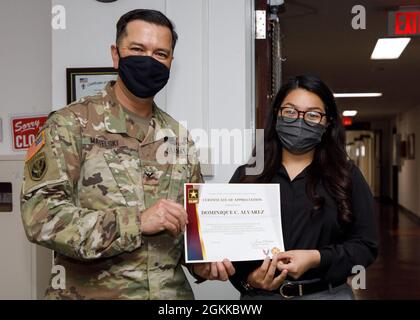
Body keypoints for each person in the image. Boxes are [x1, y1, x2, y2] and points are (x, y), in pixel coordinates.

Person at [20, 9, 233, 300]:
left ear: (171, 61)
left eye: (161, 53)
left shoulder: (179, 138)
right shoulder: (69, 125)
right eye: (137, 49)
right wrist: (136, 222)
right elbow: (41, 218)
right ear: (115, 54)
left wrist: (202, 264)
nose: (149, 60)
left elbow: (187, 229)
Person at [229, 75, 378, 300]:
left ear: (327, 123)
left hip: (327, 295)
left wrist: (317, 257)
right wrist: (248, 280)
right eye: (290, 111)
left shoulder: (346, 176)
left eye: (312, 115)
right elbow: (227, 244)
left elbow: (366, 245)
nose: (299, 121)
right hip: (260, 297)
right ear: (277, 114)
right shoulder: (247, 175)